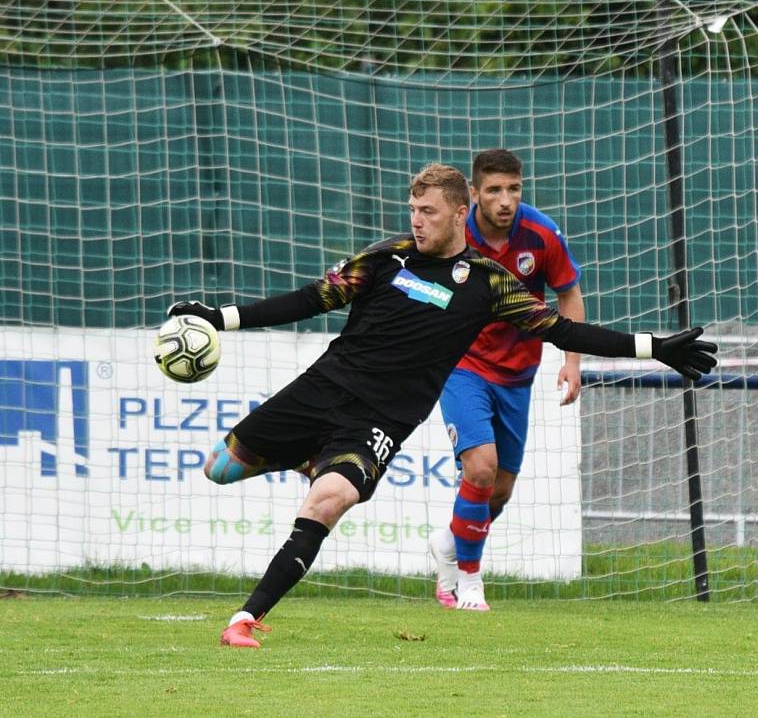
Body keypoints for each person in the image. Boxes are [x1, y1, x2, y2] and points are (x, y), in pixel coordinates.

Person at [168, 163, 717, 648]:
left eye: (428, 211)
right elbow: (313, 298)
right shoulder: (385, 259)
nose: (417, 220)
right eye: (413, 210)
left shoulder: (487, 282)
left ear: (459, 213)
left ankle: (245, 618)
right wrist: (221, 317)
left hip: (376, 422)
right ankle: (306, 458)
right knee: (220, 469)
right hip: (318, 392)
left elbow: (560, 327)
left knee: (327, 503)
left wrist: (653, 347)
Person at [430, 149, 584, 612]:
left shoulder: (540, 234)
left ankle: (448, 545)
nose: (505, 200)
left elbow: (568, 294)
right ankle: (469, 583)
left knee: (498, 491)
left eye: (513, 189)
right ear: (473, 194)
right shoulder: (453, 235)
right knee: (479, 467)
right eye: (494, 190)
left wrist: (571, 361)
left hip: (518, 374)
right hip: (463, 367)